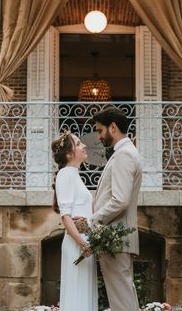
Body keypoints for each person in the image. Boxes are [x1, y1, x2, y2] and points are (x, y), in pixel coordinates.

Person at [76, 106, 142, 311]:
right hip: (116, 237)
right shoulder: (124, 153)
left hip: (116, 237)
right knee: (123, 298)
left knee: (122, 302)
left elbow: (120, 200)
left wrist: (92, 220)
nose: (97, 136)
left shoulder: (124, 155)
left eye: (99, 130)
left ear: (113, 127)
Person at [52, 130, 98, 311]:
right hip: (77, 244)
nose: (84, 145)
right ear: (70, 154)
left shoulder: (74, 175)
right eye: (79, 143)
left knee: (85, 293)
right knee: (76, 295)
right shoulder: (66, 174)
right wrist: (82, 244)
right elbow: (65, 216)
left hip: (85, 242)